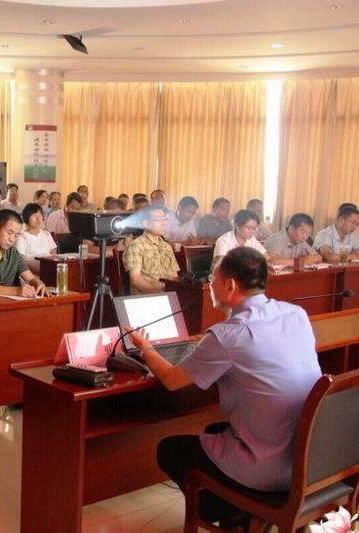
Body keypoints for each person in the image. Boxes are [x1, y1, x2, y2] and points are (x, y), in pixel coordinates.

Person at [127, 247, 321, 529]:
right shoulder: (296, 314)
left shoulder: (229, 334)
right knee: (214, 430)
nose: (210, 285)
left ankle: (235, 511)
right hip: (307, 459)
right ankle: (238, 510)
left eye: (212, 279)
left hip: (268, 469)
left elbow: (171, 380)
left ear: (229, 285)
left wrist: (145, 348)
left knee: (170, 449)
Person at [122, 206, 180, 294]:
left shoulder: (167, 246)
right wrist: (159, 294)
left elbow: (175, 276)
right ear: (146, 223)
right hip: (147, 297)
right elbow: (135, 280)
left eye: (165, 219)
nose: (164, 223)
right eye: (158, 220)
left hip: (168, 295)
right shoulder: (136, 246)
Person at [15, 203, 57, 267]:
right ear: (26, 217)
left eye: (40, 215)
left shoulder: (46, 234)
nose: (38, 218)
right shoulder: (22, 237)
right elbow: (21, 259)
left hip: (49, 266)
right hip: (32, 269)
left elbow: (54, 253)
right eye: (34, 215)